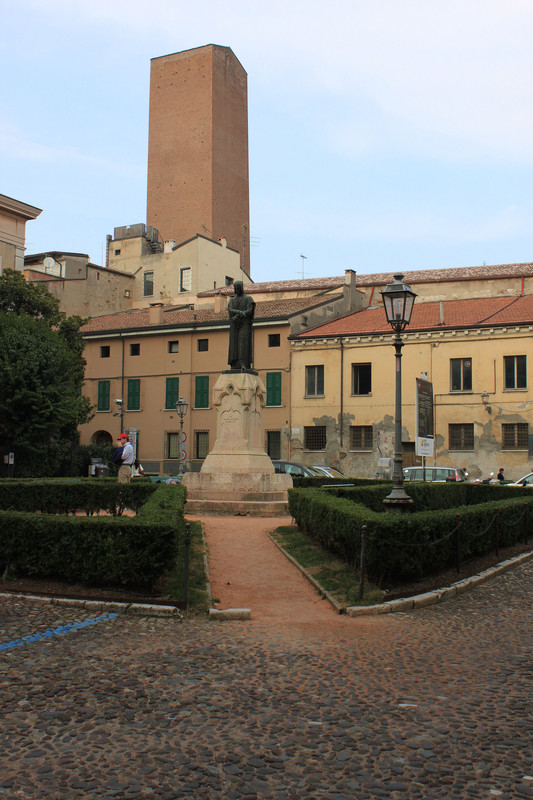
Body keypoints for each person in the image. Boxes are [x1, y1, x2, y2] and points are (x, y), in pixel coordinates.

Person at [227, 281, 255, 369]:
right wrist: (239, 312)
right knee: (234, 344)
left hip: (244, 325)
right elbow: (230, 309)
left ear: (241, 288)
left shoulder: (248, 298)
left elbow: (250, 310)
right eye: (236, 289)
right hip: (234, 325)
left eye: (238, 288)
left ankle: (244, 363)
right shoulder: (232, 300)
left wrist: (241, 314)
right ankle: (234, 364)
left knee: (243, 343)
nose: (237, 290)